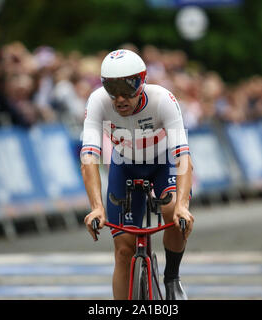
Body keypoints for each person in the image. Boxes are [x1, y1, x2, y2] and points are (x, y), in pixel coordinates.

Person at [81, 49, 194, 300]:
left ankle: (172, 278)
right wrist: (97, 207)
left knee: (171, 210)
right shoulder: (98, 101)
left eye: (128, 88)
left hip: (163, 164)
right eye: (112, 88)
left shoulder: (163, 99)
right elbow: (89, 157)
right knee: (124, 251)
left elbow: (183, 157)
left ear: (142, 82)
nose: (120, 98)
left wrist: (183, 206)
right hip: (125, 165)